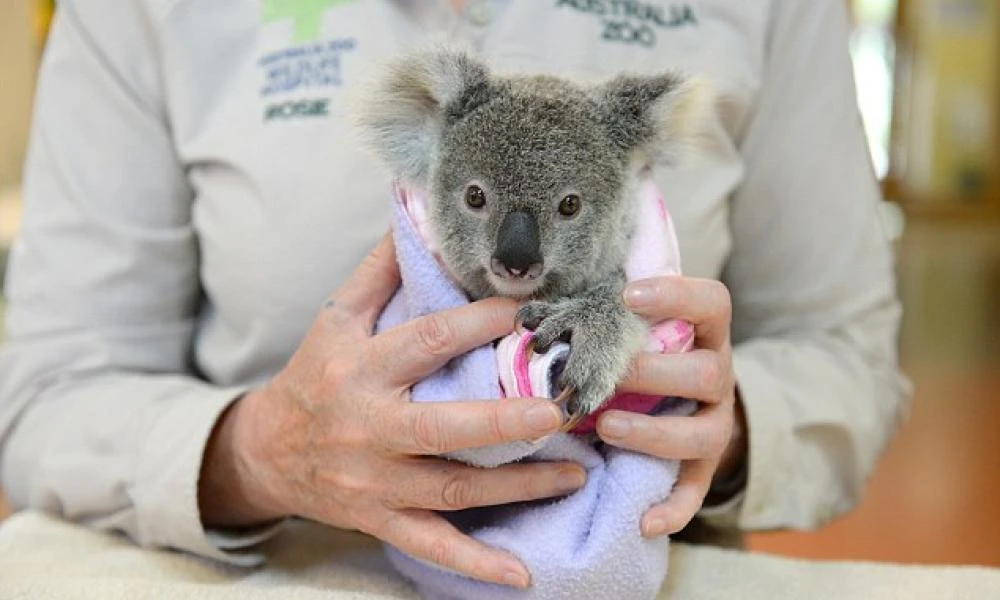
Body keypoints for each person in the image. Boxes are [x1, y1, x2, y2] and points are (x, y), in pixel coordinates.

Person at [0, 0, 910, 590]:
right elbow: (45, 394)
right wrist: (265, 452)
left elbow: (845, 355)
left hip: (625, 564)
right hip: (291, 567)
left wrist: (690, 415)